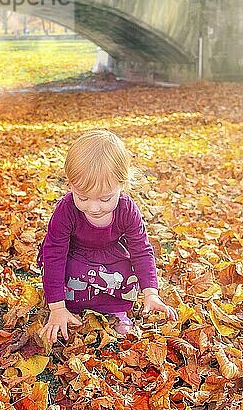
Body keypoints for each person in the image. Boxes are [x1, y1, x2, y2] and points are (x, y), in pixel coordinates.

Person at [38, 130, 178, 343]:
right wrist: (56, 306)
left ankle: (116, 311)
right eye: (83, 197)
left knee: (124, 274)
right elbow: (54, 254)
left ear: (122, 185)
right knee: (71, 273)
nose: (93, 208)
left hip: (111, 257)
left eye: (105, 199)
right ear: (70, 184)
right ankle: (71, 309)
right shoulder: (66, 209)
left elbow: (141, 250)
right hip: (77, 256)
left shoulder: (127, 209)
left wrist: (150, 292)